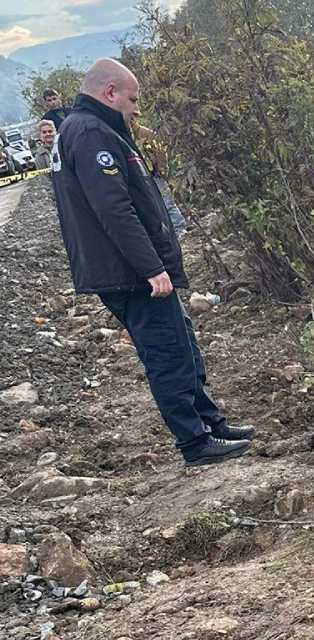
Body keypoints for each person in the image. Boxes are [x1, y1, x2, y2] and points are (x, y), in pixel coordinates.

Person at [49, 58, 253, 466]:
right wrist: (150, 267)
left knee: (182, 344)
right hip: (129, 274)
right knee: (167, 354)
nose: (137, 109)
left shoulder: (88, 128)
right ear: (110, 92)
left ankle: (210, 422)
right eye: (133, 99)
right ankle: (194, 443)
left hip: (128, 269)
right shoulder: (90, 133)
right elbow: (115, 209)